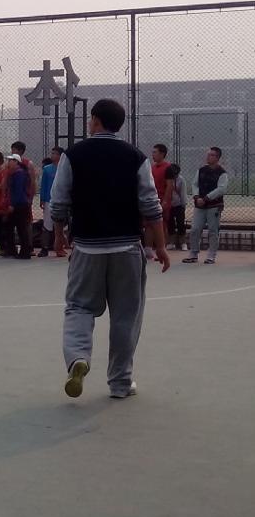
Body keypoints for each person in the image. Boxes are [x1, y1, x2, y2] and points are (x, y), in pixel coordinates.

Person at [51, 98, 169, 400]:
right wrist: (160, 245)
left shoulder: (73, 155)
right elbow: (151, 205)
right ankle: (120, 383)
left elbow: (59, 200)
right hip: (127, 246)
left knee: (79, 306)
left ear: (95, 120)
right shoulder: (136, 156)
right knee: (126, 315)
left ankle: (78, 357)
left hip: (86, 247)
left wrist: (59, 235)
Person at [183, 147, 228, 265]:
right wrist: (197, 197)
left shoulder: (222, 173)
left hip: (214, 206)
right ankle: (193, 254)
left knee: (213, 230)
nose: (208, 156)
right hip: (200, 206)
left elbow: (221, 189)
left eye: (212, 155)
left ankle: (211, 256)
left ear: (217, 158)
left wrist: (207, 198)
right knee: (195, 229)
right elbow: (195, 184)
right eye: (208, 154)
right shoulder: (201, 170)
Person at [1, 154, 33, 258]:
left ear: (16, 162)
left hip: (19, 204)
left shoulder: (19, 174)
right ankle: (12, 250)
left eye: (10, 160)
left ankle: (24, 252)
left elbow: (18, 191)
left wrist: (12, 205)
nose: (8, 162)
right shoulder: (14, 174)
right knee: (10, 227)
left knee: (20, 228)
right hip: (17, 203)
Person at [146, 143, 171, 258]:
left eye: (155, 152)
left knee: (161, 225)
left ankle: (162, 249)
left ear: (162, 154)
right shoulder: (152, 167)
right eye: (152, 152)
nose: (153, 154)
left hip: (162, 201)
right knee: (148, 224)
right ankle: (148, 249)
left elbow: (170, 186)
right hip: (152, 200)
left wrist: (165, 202)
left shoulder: (168, 168)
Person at [38, 147, 64, 257]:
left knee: (61, 226)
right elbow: (43, 185)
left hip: (62, 200)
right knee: (47, 225)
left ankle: (59, 248)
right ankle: (44, 248)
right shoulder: (47, 169)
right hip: (49, 200)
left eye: (55, 153)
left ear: (60, 156)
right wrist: (42, 199)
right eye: (52, 153)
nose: (53, 155)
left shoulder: (64, 168)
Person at [165, 163, 187, 251]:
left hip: (179, 205)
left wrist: (183, 205)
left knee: (181, 223)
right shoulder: (166, 179)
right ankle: (171, 243)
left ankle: (183, 243)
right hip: (169, 204)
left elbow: (183, 193)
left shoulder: (181, 180)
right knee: (170, 224)